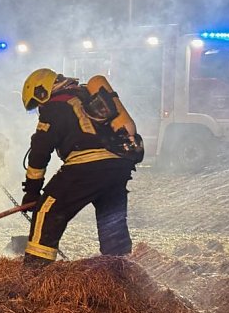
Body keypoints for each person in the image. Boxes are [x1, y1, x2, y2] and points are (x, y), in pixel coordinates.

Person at [18, 68, 142, 266]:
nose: (39, 109)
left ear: (43, 92)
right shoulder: (88, 96)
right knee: (112, 221)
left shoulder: (54, 106)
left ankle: (35, 271)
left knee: (46, 211)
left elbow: (40, 152)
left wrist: (32, 192)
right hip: (118, 166)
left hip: (86, 166)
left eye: (37, 103)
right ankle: (119, 269)